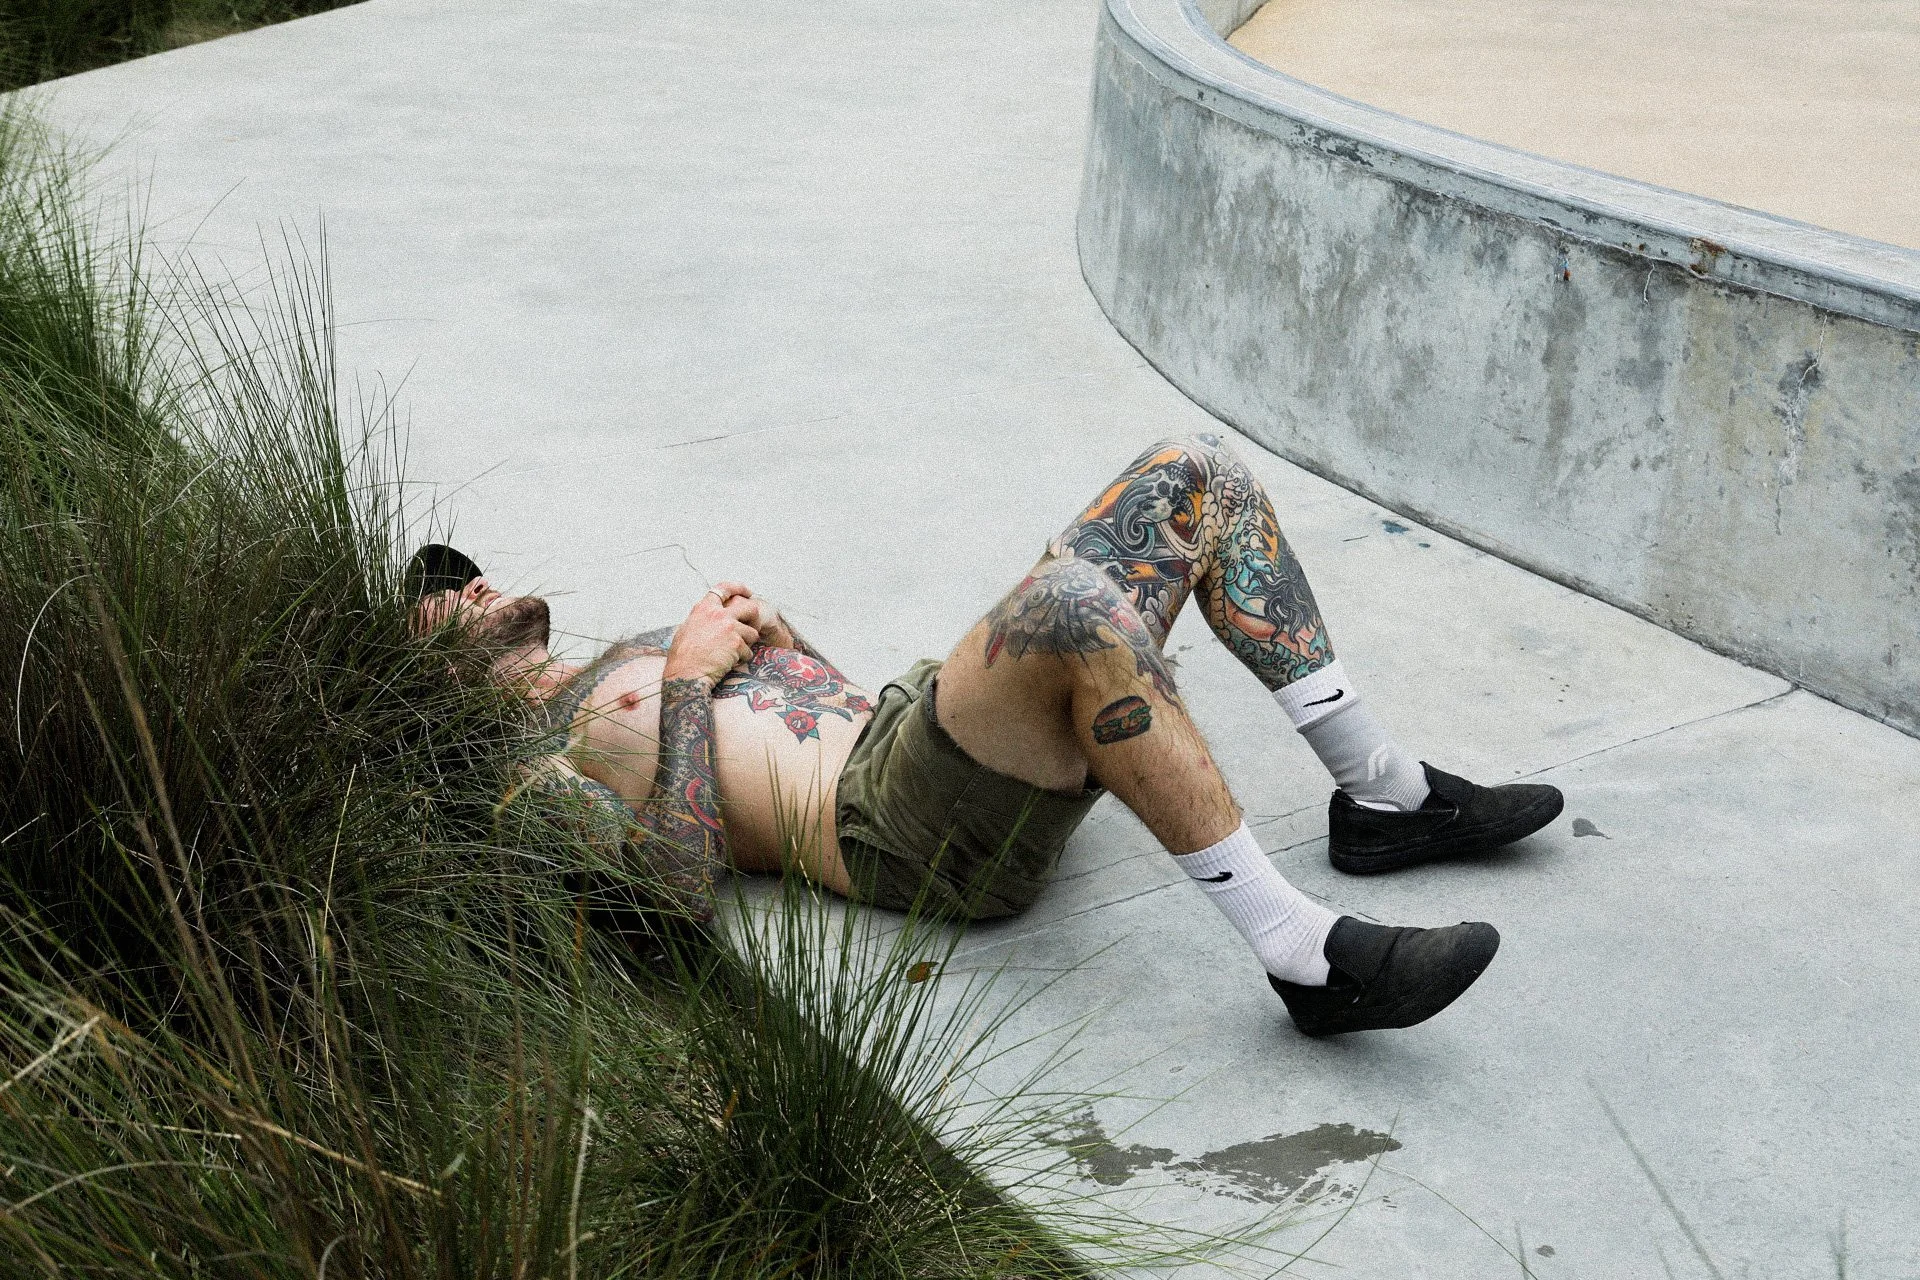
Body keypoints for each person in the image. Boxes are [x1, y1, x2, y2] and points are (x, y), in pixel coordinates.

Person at [410, 434, 1562, 1036]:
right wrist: (688, 687)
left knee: (1195, 476)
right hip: (900, 834)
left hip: (914, 731)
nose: (470, 585)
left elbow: (825, 710)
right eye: (439, 597)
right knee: (1068, 607)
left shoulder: (635, 645)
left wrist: (777, 639)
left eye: (467, 571)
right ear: (427, 684)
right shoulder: (539, 767)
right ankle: (1305, 954)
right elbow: (668, 902)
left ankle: (1386, 796)